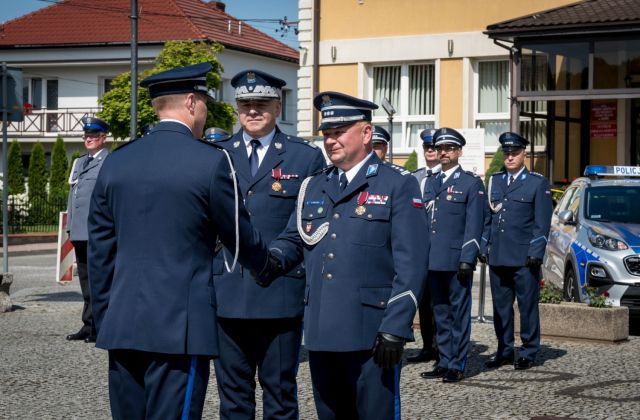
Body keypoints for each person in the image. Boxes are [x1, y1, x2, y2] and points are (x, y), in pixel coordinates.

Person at [87, 62, 275, 420]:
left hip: (123, 326)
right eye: (204, 102)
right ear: (191, 103)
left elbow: (100, 250)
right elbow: (239, 234)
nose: (205, 112)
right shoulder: (210, 162)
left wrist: (106, 315)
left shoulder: (116, 162)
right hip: (180, 328)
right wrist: (267, 266)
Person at [264, 91, 429, 419]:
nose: (331, 140)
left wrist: (396, 326)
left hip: (372, 334)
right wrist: (261, 258)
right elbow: (293, 241)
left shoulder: (397, 184)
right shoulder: (314, 186)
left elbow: (411, 262)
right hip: (322, 332)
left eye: (339, 132)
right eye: (326, 134)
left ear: (366, 133)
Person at [211, 69, 326, 420]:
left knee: (279, 395)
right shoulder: (216, 154)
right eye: (245, 104)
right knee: (233, 399)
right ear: (236, 109)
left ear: (278, 106)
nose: (253, 110)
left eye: (261, 103)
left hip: (279, 292)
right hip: (226, 292)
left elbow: (306, 222)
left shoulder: (304, 157)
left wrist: (272, 261)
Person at [420, 128, 485, 383]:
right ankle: (444, 359)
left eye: (449, 148)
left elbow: (474, 224)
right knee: (440, 312)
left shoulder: (470, 183)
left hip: (457, 260)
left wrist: (468, 258)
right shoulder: (431, 182)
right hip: (433, 259)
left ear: (459, 151)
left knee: (458, 313)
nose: (443, 152)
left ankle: (457, 363)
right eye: (440, 148)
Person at [484, 132, 553, 371]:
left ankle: (528, 351)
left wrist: (536, 251)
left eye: (515, 153)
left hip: (524, 258)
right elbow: (488, 218)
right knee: (501, 308)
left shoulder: (537, 182)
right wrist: (484, 246)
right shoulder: (495, 180)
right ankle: (504, 349)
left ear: (524, 153)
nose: (510, 157)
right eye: (507, 153)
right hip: (499, 256)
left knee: (527, 307)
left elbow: (542, 222)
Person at [65, 116, 110, 344]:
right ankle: (87, 323)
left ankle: (100, 325)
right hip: (79, 232)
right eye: (86, 136)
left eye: (93, 136)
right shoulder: (79, 162)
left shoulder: (109, 162)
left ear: (103, 138)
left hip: (96, 231)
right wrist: (69, 228)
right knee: (84, 279)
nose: (88, 139)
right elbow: (72, 197)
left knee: (98, 280)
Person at [407, 128, 440, 364]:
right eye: (427, 147)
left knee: (441, 303)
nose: (430, 150)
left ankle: (443, 348)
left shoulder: (449, 178)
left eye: (434, 147)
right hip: (419, 250)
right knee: (424, 303)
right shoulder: (415, 178)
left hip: (440, 251)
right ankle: (428, 346)